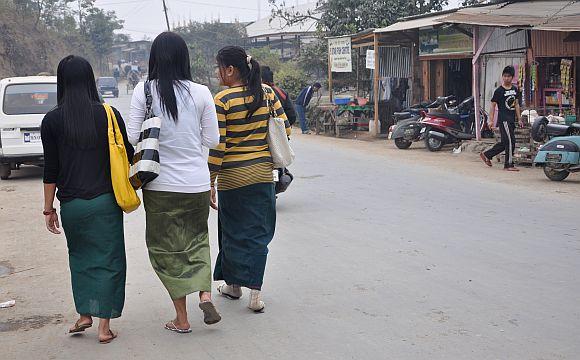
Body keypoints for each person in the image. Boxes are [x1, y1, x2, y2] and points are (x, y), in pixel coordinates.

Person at [128, 32, 221, 333]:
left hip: (160, 184)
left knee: (166, 249)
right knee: (198, 240)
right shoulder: (202, 92)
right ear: (185, 58)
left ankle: (181, 319)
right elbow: (212, 139)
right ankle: (204, 292)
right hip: (196, 182)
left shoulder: (143, 91)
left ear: (154, 58)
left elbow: (131, 138)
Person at [41, 55, 134, 344]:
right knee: (109, 260)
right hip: (105, 202)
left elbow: (51, 170)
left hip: (72, 206)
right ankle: (104, 328)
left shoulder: (52, 120)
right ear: (90, 79)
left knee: (80, 258)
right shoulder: (108, 114)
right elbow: (128, 154)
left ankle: (84, 314)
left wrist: (48, 209)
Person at [209, 46, 290, 312]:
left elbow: (218, 146)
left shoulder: (223, 99)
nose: (217, 72)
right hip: (263, 175)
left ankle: (233, 286)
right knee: (257, 234)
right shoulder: (267, 93)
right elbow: (285, 129)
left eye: (219, 67)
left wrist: (210, 180)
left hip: (232, 179)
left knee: (231, 232)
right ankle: (254, 292)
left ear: (230, 70)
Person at [480, 65, 523, 171]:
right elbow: (493, 106)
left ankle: (487, 155)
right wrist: (490, 120)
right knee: (510, 141)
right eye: (504, 76)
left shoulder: (515, 89)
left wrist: (520, 118)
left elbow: (516, 104)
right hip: (504, 119)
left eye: (508, 76)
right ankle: (508, 165)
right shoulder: (499, 91)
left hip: (512, 119)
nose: (506, 78)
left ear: (512, 77)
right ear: (502, 77)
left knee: (505, 142)